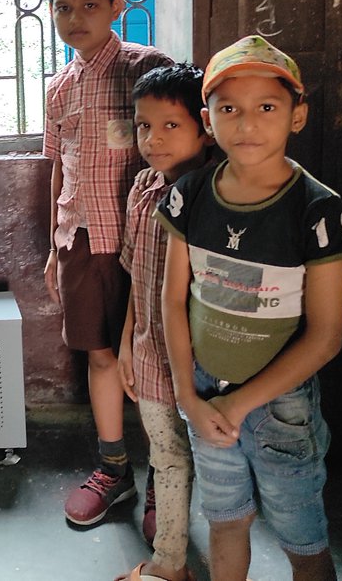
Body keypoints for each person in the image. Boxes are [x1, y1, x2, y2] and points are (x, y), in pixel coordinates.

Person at [158, 35, 342, 581]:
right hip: (204, 393)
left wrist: (239, 404)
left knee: (302, 536)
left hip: (281, 406)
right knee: (225, 520)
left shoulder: (317, 210)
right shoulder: (190, 194)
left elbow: (326, 336)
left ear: (298, 115)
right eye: (229, 109)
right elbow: (172, 300)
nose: (247, 123)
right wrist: (188, 397)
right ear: (208, 120)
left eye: (267, 107)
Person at [42, 0, 173, 527]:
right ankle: (114, 470)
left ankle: (164, 477)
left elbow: (182, 152)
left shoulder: (148, 68)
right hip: (82, 240)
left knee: (155, 362)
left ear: (117, 6)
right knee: (100, 354)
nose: (76, 18)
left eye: (90, 5)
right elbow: (58, 168)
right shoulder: (59, 87)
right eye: (63, 8)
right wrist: (55, 245)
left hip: (149, 244)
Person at [117, 64, 215, 581]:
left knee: (219, 471)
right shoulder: (142, 189)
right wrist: (126, 344)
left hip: (207, 363)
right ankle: (169, 564)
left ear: (205, 127)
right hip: (150, 352)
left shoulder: (220, 195)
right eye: (143, 126)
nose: (152, 139)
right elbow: (136, 273)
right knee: (167, 455)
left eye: (170, 125)